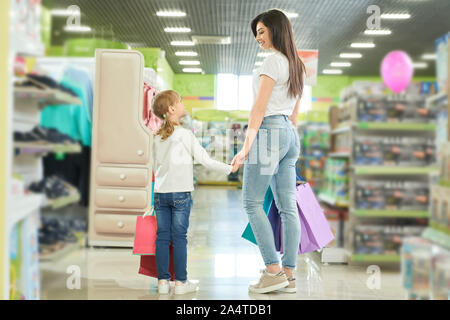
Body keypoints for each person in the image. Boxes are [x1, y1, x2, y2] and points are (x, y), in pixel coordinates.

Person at [231, 9, 306, 294]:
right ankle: (289, 273)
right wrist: (286, 141)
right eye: (257, 33)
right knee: (288, 207)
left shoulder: (273, 61)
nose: (258, 37)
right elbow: (295, 113)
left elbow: (259, 109)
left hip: (269, 132)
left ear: (276, 29)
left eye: (262, 31)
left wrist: (245, 148)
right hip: (289, 133)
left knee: (251, 202)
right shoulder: (297, 64)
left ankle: (272, 271)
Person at [152, 90, 237, 295]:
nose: (183, 104)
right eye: (179, 101)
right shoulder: (185, 135)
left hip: (161, 194)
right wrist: (229, 168)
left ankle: (163, 283)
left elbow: (154, 167)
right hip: (180, 194)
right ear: (172, 109)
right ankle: (180, 283)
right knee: (179, 237)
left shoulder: (156, 136)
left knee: (162, 237)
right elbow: (205, 160)